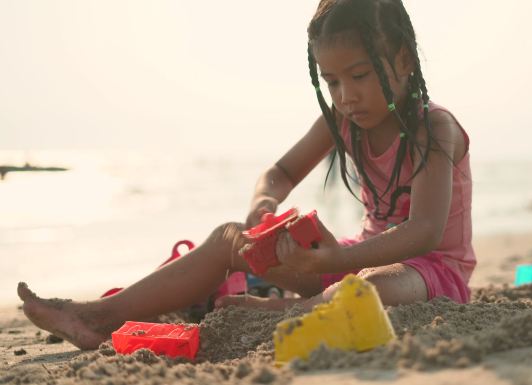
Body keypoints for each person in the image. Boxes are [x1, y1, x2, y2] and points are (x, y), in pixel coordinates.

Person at [17, 0, 476, 350]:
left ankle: (284, 311)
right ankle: (99, 315)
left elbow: (424, 232)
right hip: (353, 259)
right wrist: (264, 206)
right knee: (228, 238)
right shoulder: (341, 122)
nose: (345, 96)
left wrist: (334, 262)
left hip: (430, 271)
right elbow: (278, 173)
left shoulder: (432, 128)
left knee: (368, 287)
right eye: (331, 81)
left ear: (403, 60)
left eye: (359, 75)